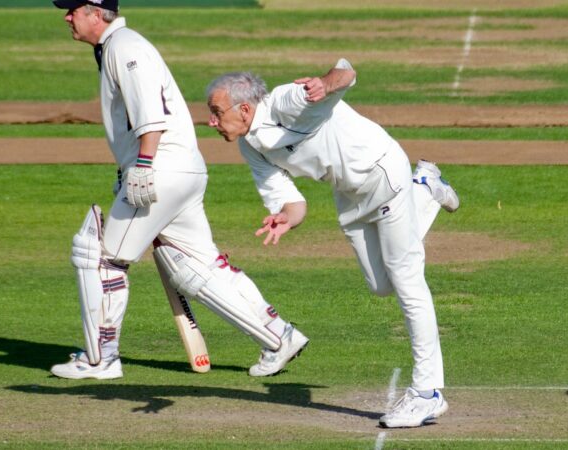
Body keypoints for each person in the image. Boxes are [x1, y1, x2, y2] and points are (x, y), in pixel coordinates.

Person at [49, 0, 308, 380]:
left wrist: (142, 166)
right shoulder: (118, 46)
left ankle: (101, 359)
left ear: (94, 10)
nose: (66, 16)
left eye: (72, 9)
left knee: (101, 257)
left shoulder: (124, 45)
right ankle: (279, 336)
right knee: (196, 267)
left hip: (161, 167)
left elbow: (150, 110)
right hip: (181, 169)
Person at [205, 59, 459, 428]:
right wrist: (286, 218)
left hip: (382, 172)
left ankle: (427, 393)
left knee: (407, 282)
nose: (211, 121)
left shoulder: (284, 102)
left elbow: (347, 72)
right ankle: (424, 188)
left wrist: (326, 82)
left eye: (216, 112)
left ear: (244, 109)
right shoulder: (251, 147)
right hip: (349, 196)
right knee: (381, 285)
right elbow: (293, 203)